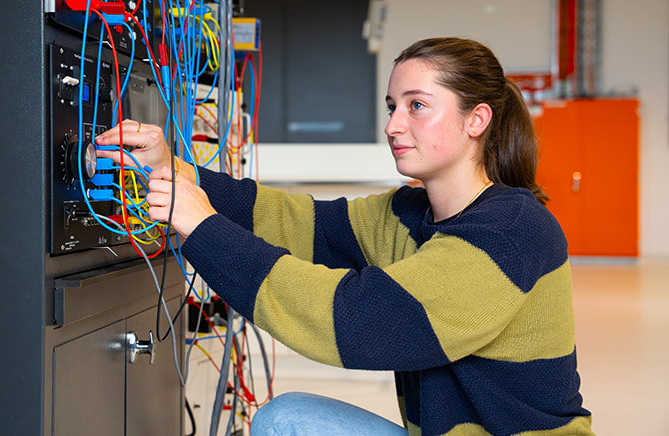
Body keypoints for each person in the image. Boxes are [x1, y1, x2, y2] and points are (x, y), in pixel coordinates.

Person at [96, 37, 594, 436]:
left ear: (476, 120)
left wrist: (201, 226)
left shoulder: (510, 231)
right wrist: (174, 169)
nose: (394, 125)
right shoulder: (409, 212)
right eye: (392, 106)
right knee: (284, 419)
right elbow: (296, 221)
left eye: (417, 105)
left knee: (284, 421)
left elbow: (360, 323)